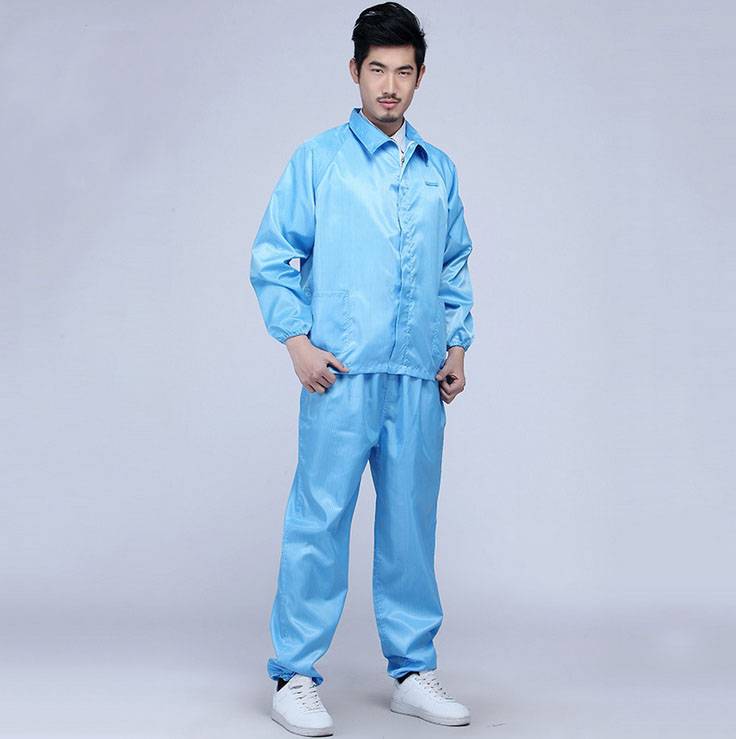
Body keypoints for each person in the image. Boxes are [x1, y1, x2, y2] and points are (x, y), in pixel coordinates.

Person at [249, 3, 475, 735]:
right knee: (319, 520)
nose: (389, 85)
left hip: (417, 378)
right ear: (355, 71)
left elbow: (454, 265)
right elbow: (273, 256)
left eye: (403, 72)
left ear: (419, 77)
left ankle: (412, 670)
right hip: (340, 375)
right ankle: (293, 674)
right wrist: (297, 343)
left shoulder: (438, 170)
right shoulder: (318, 160)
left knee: (411, 527)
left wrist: (457, 345)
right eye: (377, 69)